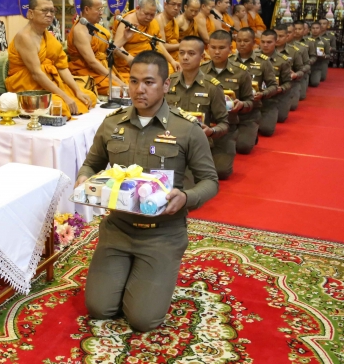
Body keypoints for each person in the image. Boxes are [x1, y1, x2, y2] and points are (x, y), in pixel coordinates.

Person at [77, 51, 219, 332]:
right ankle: (130, 275)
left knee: (143, 320)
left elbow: (210, 181)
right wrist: (84, 179)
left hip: (162, 234)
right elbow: (92, 164)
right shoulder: (112, 123)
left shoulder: (186, 129)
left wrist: (186, 197)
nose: (139, 89)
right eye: (133, 81)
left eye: (149, 82)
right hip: (118, 229)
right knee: (99, 308)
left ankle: (152, 276)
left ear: (166, 85)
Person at [7, 0, 97, 117]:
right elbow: (37, 74)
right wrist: (65, 97)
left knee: (88, 97)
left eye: (52, 11)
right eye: (44, 10)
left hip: (47, 84)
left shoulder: (46, 36)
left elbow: (62, 67)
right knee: (60, 106)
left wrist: (77, 91)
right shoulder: (25, 37)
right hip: (28, 88)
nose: (49, 14)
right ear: (31, 13)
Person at [166, 36, 231, 179]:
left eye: (191, 53)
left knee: (192, 181)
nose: (185, 57)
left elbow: (224, 123)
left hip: (198, 144)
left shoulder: (212, 87)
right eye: (181, 53)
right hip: (170, 141)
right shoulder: (169, 82)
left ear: (202, 57)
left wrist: (211, 131)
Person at [201, 30, 254, 178]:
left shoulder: (241, 72)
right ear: (207, 48)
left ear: (230, 49)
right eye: (213, 47)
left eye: (221, 48)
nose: (217, 52)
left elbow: (250, 101)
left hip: (227, 129)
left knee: (221, 172)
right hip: (203, 129)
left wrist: (242, 104)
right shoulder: (200, 71)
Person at [112, 0, 181, 83]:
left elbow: (158, 44)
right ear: (138, 8)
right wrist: (130, 60)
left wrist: (172, 60)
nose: (149, 17)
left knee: (172, 71)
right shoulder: (127, 22)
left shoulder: (153, 22)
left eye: (152, 15)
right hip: (129, 65)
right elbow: (117, 46)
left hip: (149, 61)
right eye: (146, 14)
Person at [67, 0, 125, 95]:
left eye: (102, 9)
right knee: (120, 90)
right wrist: (114, 79)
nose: (101, 13)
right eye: (98, 9)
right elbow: (92, 62)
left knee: (126, 85)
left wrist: (125, 38)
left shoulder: (95, 28)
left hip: (101, 70)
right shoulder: (80, 31)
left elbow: (110, 48)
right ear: (86, 9)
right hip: (86, 73)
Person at [233, 27, 278, 149]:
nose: (242, 44)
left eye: (246, 41)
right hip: (231, 110)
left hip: (251, 110)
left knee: (243, 147)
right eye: (239, 40)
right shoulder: (229, 60)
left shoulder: (263, 62)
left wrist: (263, 94)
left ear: (254, 42)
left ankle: (251, 132)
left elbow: (274, 85)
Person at [268, 26, 294, 124]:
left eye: (281, 36)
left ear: (287, 36)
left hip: (281, 89)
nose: (278, 39)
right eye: (276, 36)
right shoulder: (258, 54)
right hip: (261, 91)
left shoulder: (293, 51)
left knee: (281, 118)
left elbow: (289, 82)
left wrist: (296, 74)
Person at [285, 23, 309, 110]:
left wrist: (296, 74)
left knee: (292, 106)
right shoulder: (270, 48)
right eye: (285, 33)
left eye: (289, 32)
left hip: (294, 80)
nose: (287, 35)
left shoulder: (300, 48)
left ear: (294, 33)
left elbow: (307, 65)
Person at [156, 0, 183, 67]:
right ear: (165, 5)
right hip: (165, 56)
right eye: (173, 4)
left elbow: (175, 40)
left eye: (179, 5)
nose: (176, 8)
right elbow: (162, 46)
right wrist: (182, 45)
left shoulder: (174, 20)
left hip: (177, 53)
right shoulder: (159, 20)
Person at [292, 20, 315, 100]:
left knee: (301, 97)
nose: (297, 31)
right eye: (295, 29)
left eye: (300, 29)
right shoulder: (287, 41)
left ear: (304, 30)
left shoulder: (309, 42)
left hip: (303, 70)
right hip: (290, 69)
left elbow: (313, 56)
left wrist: (308, 62)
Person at [307, 22, 327, 87]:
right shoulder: (305, 39)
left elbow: (329, 55)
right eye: (313, 28)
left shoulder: (324, 41)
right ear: (310, 29)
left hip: (317, 66)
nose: (315, 30)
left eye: (317, 28)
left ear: (320, 29)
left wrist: (325, 56)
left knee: (314, 83)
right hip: (306, 63)